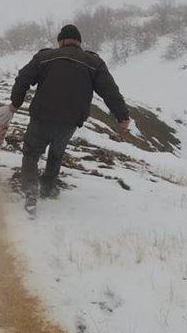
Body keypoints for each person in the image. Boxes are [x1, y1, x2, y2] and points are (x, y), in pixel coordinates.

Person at [9, 24, 130, 212]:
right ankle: (48, 188)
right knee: (56, 153)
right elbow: (110, 91)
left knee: (31, 153)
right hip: (69, 122)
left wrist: (15, 103)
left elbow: (23, 78)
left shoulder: (44, 57)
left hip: (42, 116)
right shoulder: (93, 62)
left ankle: (30, 194)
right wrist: (122, 116)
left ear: (60, 40)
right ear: (79, 42)